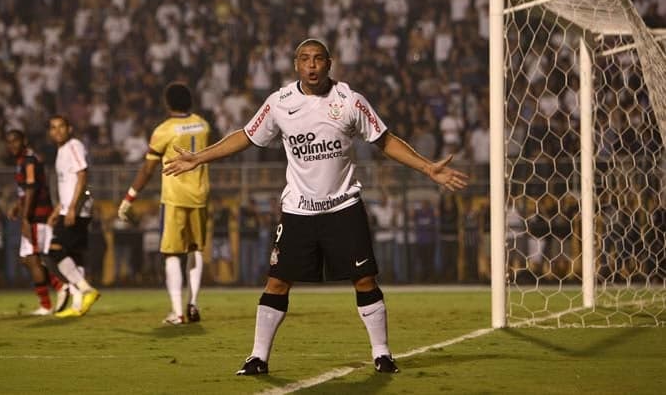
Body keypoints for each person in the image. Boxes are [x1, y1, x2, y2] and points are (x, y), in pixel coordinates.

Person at [163, 38, 468, 375]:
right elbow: (246, 136)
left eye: (318, 59)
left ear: (329, 63)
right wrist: (198, 158)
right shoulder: (279, 102)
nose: (311, 65)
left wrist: (428, 168)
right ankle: (258, 357)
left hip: (344, 207)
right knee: (277, 283)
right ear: (296, 64)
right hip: (298, 210)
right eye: (305, 59)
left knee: (364, 279)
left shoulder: (350, 100)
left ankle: (382, 353)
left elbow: (385, 140)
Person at [117, 82, 210, 324]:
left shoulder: (164, 130)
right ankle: (193, 303)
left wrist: (129, 197)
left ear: (167, 103)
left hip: (175, 197)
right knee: (195, 250)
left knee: (171, 253)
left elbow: (148, 169)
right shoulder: (203, 124)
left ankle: (177, 312)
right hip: (200, 195)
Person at [4, 129, 69, 315]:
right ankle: (56, 292)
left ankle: (53, 295)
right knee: (28, 259)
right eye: (9, 142)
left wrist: (25, 218)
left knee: (34, 258)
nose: (12, 145)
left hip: (36, 216)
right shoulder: (22, 160)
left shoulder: (29, 160)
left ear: (24, 140)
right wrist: (17, 206)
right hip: (32, 214)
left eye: (15, 141)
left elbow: (32, 189)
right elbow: (25, 191)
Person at [47, 115, 100, 317]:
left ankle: (86, 289)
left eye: (61, 126)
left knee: (53, 248)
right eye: (53, 127)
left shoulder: (74, 145)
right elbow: (66, 186)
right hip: (68, 207)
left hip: (77, 209)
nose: (57, 131)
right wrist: (57, 210)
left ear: (69, 128)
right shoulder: (61, 151)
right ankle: (78, 305)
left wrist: (71, 208)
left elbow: (82, 175)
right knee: (75, 255)